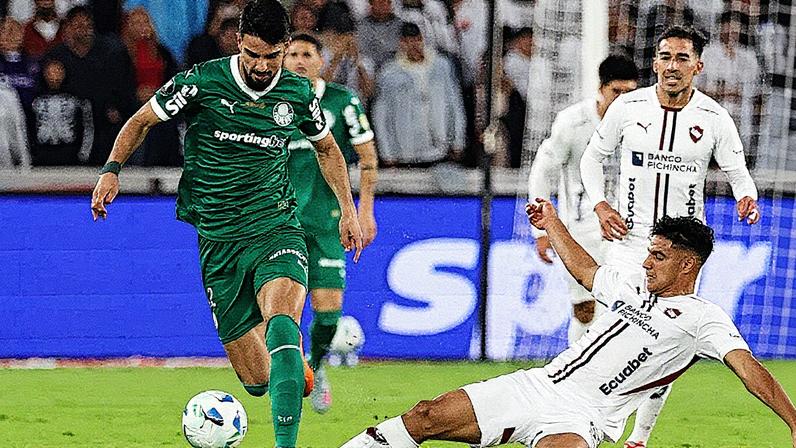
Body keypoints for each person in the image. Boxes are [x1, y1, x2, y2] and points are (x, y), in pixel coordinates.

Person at [89, 1, 364, 446]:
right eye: (252, 54)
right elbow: (141, 121)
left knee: (282, 323)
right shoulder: (202, 82)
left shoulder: (296, 93)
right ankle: (299, 376)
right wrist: (111, 169)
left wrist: (349, 210)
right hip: (218, 241)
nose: (260, 65)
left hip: (276, 225)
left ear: (285, 48)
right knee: (258, 381)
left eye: (271, 56)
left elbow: (329, 149)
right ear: (239, 42)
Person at [341, 202, 796, 448]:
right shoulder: (633, 286)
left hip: (585, 417)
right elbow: (585, 270)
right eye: (649, 252)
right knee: (425, 415)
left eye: (659, 256)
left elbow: (750, 370)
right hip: (537, 385)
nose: (647, 262)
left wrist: (794, 424)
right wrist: (553, 223)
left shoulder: (704, 319)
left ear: (687, 265)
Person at [579, 25, 761, 448]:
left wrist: (746, 198)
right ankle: (591, 422)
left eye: (682, 58)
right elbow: (593, 159)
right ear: (655, 62)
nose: (672, 67)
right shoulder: (628, 107)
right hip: (630, 239)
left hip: (682, 250)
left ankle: (639, 439)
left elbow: (738, 173)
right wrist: (601, 204)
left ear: (697, 66)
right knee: (612, 330)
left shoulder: (714, 117)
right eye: (664, 57)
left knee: (670, 342)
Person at [283, 32, 378, 414]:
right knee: (286, 309)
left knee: (328, 313)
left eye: (307, 54)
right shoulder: (271, 102)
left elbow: (367, 159)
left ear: (320, 61)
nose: (299, 61)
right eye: (292, 54)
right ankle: (289, 376)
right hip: (280, 221)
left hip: (326, 223)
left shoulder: (342, 102)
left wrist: (365, 210)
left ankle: (316, 366)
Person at [528, 54, 638, 345]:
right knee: (585, 309)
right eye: (617, 92)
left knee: (624, 310)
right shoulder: (572, 122)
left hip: (628, 233)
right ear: (601, 88)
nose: (623, 99)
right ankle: (575, 376)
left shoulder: (642, 124)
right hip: (581, 230)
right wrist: (542, 231)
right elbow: (542, 171)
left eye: (630, 92)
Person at [372, 22, 465, 167]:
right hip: (406, 151)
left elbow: (454, 104)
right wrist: (387, 153)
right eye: (408, 41)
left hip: (439, 148)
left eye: (417, 40)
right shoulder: (389, 73)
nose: (413, 45)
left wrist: (458, 140)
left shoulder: (441, 66)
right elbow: (381, 115)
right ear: (401, 43)